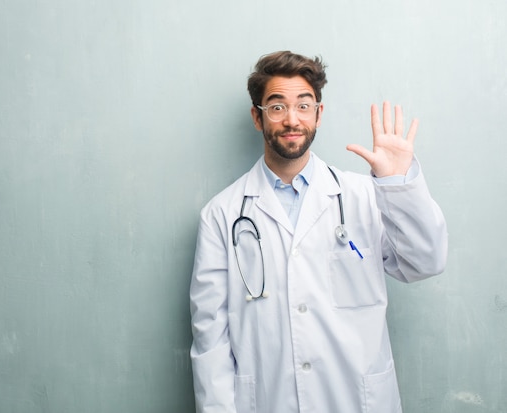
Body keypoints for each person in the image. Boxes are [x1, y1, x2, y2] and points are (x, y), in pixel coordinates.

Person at [189, 51, 448, 413]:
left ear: (318, 114)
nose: (291, 120)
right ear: (257, 117)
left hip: (356, 399)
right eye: (277, 107)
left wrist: (397, 185)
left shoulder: (365, 195)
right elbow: (211, 340)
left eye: (304, 105)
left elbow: (425, 262)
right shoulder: (222, 215)